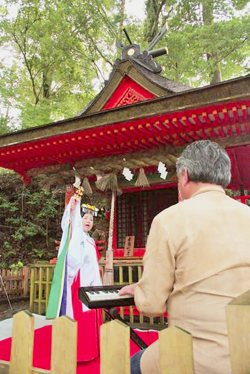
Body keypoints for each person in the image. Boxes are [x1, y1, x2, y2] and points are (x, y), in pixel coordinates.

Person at [119, 140, 250, 374]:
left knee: (129, 366)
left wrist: (142, 289)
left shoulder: (169, 219)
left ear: (185, 176)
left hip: (197, 355)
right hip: (245, 350)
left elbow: (151, 305)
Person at [46, 195, 102, 374]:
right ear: (80, 219)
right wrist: (72, 208)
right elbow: (69, 227)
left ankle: (91, 351)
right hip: (80, 284)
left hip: (93, 283)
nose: (88, 221)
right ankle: (80, 353)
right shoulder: (76, 238)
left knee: (91, 315)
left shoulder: (90, 240)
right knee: (81, 317)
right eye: (85, 218)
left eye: (91, 219)